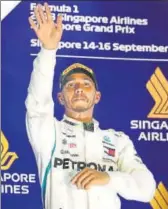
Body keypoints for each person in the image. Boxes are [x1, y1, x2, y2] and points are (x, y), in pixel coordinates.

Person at [25, 3, 156, 209]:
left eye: (86, 85)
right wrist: (48, 51)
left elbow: (147, 189)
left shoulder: (118, 141)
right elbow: (38, 102)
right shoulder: (49, 133)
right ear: (60, 97)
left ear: (97, 97)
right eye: (71, 85)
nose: (79, 88)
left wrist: (108, 178)